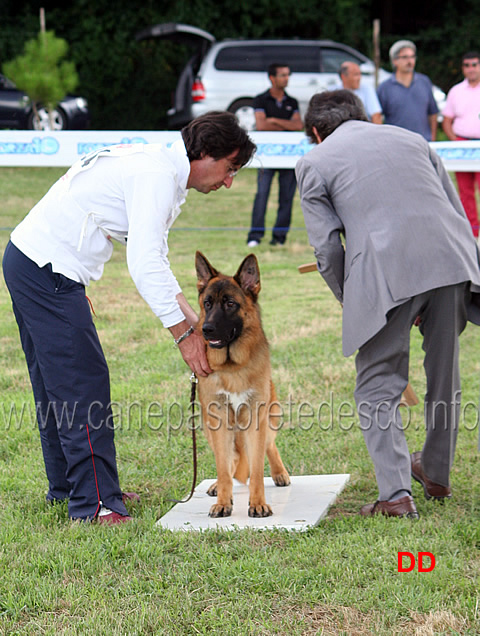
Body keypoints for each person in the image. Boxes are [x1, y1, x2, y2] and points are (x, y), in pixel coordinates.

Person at [2, 111, 256, 525]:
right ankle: (96, 504)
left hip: (35, 263)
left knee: (57, 385)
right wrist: (184, 336)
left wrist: (196, 322)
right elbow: (144, 265)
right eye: (229, 169)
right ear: (205, 153)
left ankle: (71, 489)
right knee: (81, 384)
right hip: (46, 269)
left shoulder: (161, 172)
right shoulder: (155, 175)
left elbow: (155, 259)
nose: (229, 181)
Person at [296, 89, 480, 519]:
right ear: (361, 115)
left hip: (385, 271)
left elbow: (327, 250)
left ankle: (395, 495)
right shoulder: (414, 139)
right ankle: (434, 473)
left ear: (316, 132)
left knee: (376, 386)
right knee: (444, 376)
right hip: (452, 260)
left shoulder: (314, 161)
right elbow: (454, 210)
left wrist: (354, 299)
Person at [246, 63, 303, 247]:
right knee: (262, 194)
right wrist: (285, 123)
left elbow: (298, 126)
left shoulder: (291, 102)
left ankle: (279, 237)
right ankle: (255, 235)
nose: (286, 78)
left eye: (288, 75)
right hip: (266, 156)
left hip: (288, 156)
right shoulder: (260, 100)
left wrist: (274, 120)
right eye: (282, 75)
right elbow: (261, 126)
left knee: (286, 196)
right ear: (272, 78)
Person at [442, 51, 480, 238]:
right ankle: (472, 232)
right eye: (467, 65)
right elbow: (447, 120)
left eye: (474, 64)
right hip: (463, 144)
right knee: (465, 191)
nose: (471, 69)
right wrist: (455, 141)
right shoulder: (456, 91)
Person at [377, 39, 438, 141]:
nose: (410, 61)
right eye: (405, 57)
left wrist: (433, 138)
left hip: (423, 142)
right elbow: (377, 117)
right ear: (395, 61)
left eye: (412, 56)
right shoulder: (385, 88)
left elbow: (433, 113)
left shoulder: (424, 82)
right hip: (396, 143)